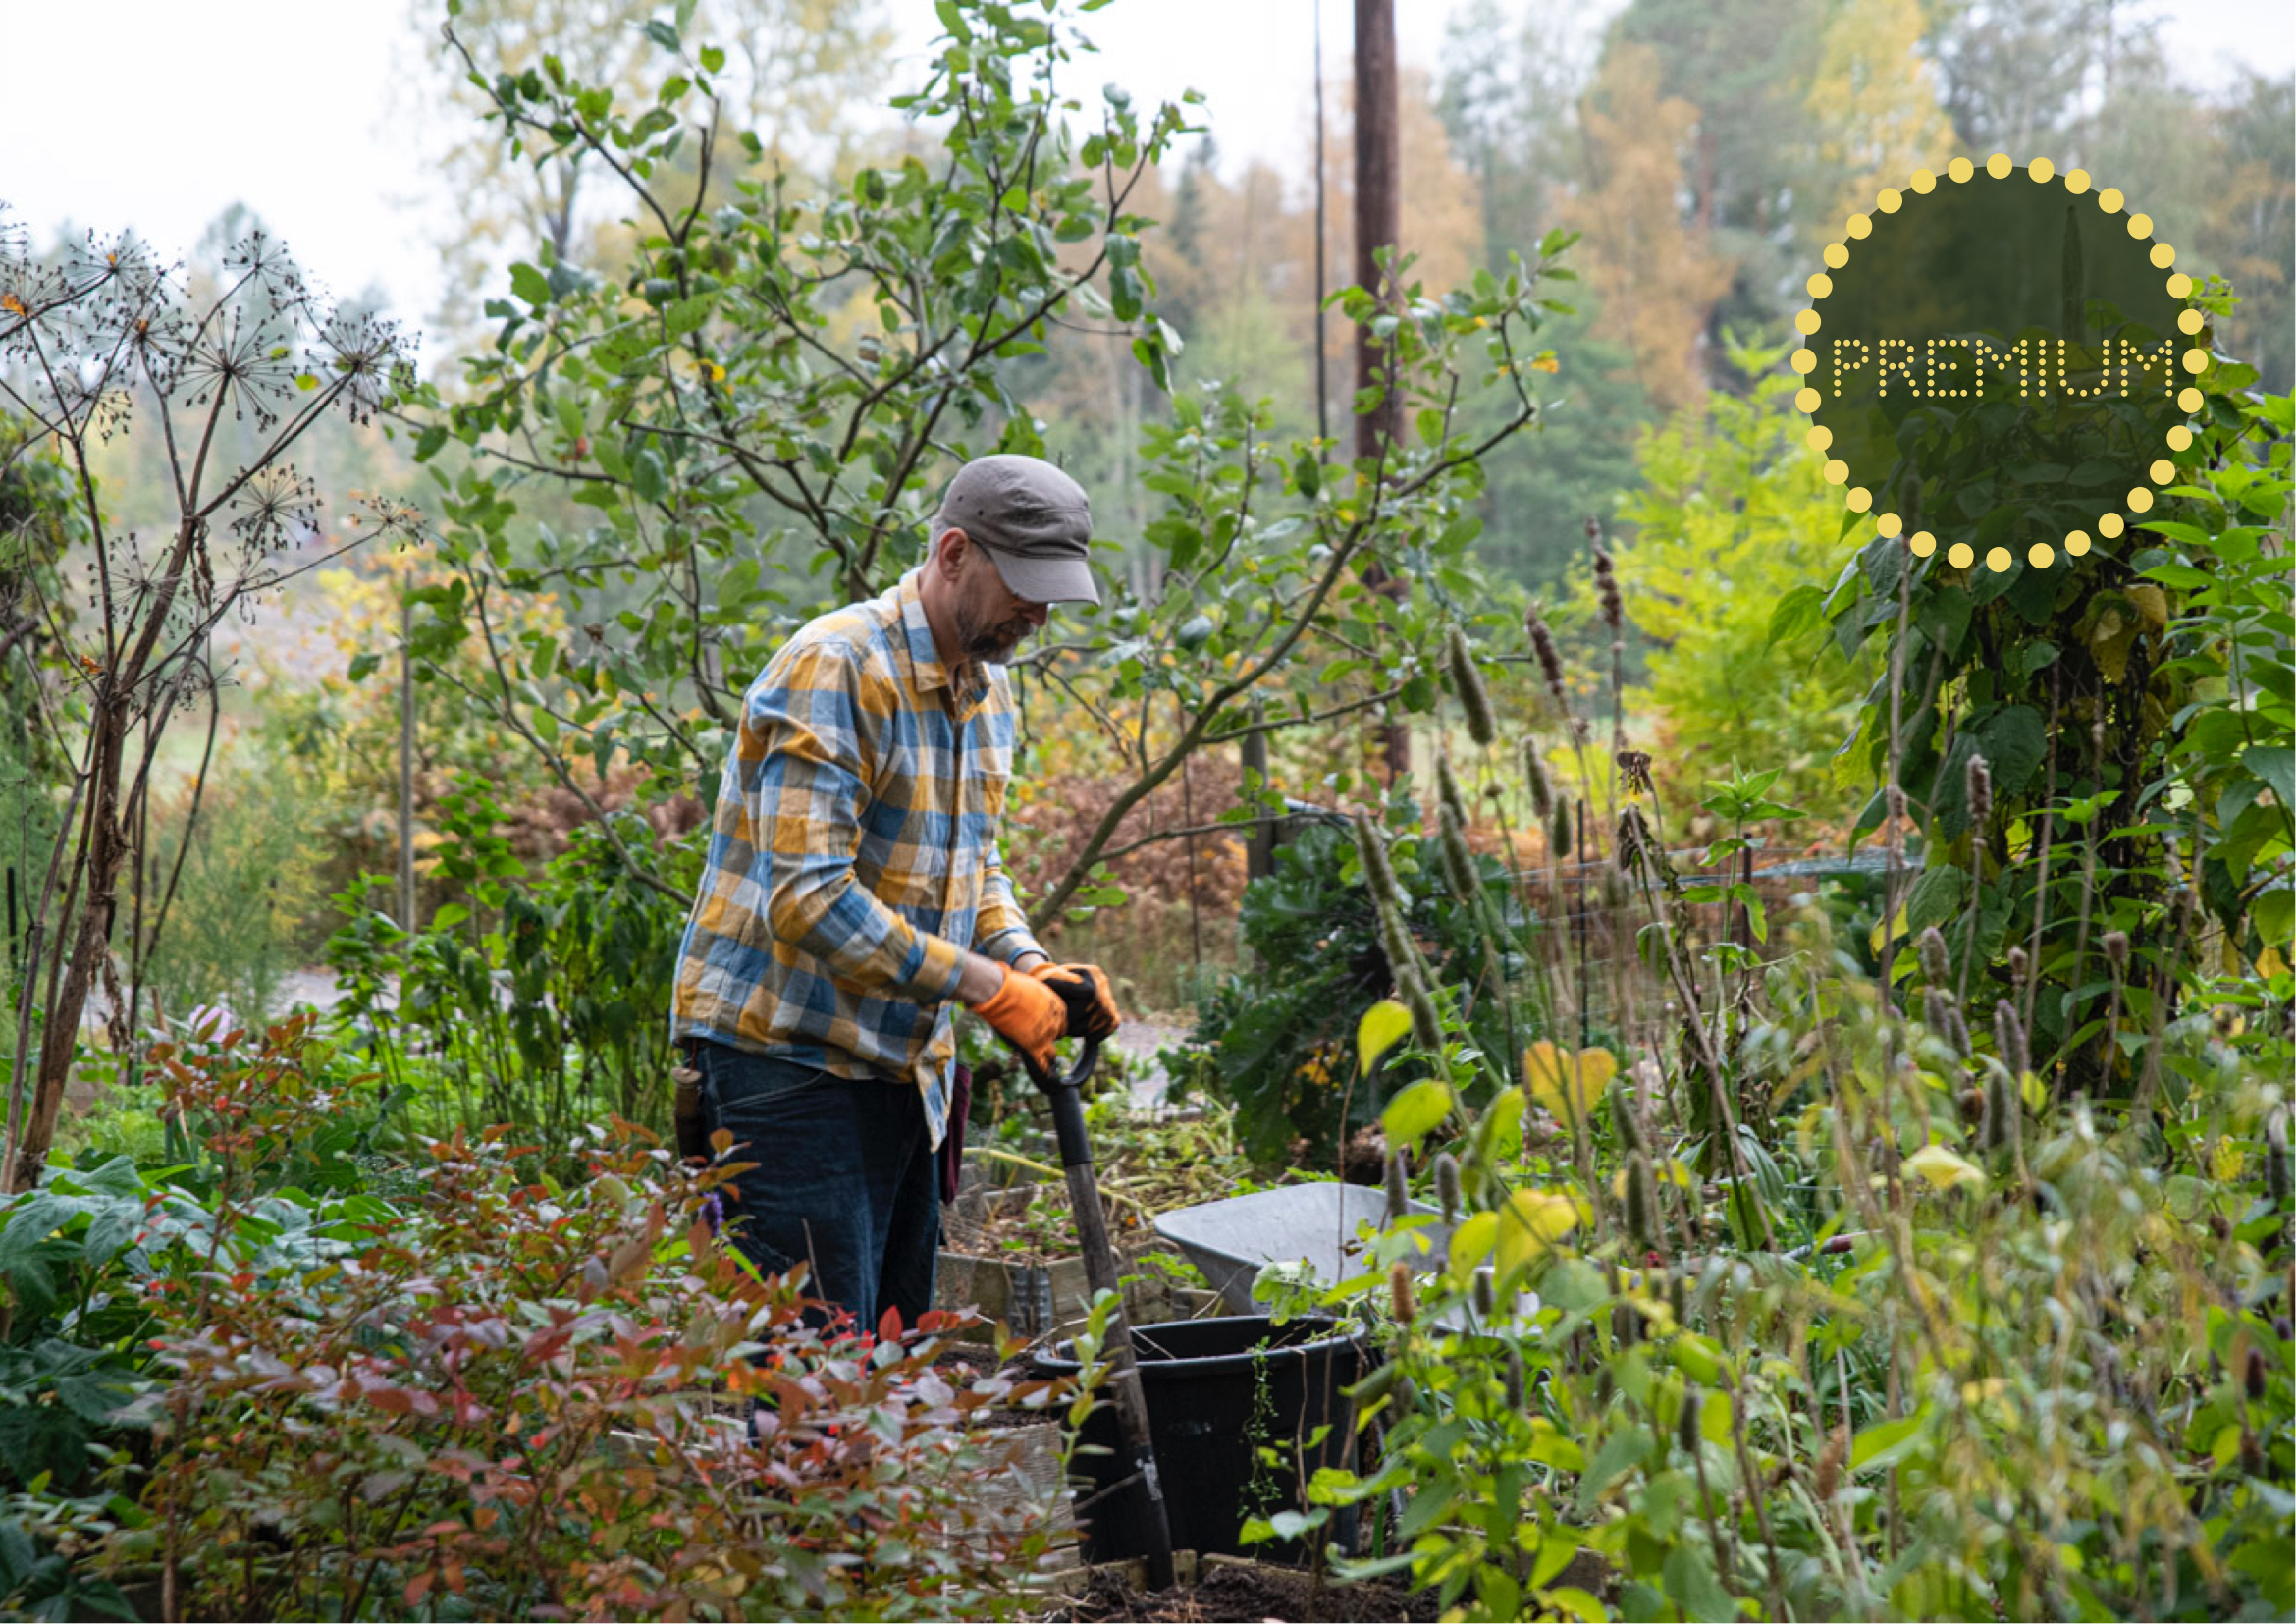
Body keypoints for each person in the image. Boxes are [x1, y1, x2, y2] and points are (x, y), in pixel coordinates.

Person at [670, 454, 1121, 1335]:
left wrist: (1032, 966)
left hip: (901, 1074)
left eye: (1053, 594)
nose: (1037, 613)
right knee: (810, 1384)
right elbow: (807, 898)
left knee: (889, 1364)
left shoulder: (986, 693)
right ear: (954, 553)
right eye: (1022, 586)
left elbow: (969, 868)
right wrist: (991, 991)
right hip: (785, 1070)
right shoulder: (833, 666)